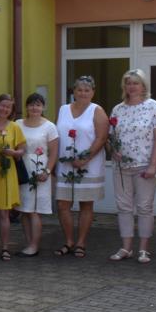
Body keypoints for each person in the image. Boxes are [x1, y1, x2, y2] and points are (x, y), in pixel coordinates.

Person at [107, 69, 156, 263]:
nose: (131, 87)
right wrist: (112, 150)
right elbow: (111, 137)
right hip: (121, 168)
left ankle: (143, 249)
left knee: (144, 208)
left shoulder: (155, 107)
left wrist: (153, 165)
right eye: (128, 83)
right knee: (124, 207)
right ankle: (126, 248)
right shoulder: (118, 109)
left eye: (136, 83)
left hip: (145, 167)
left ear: (143, 86)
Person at [54, 76, 108, 258]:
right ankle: (68, 241)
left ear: (93, 92)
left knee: (86, 204)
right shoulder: (63, 109)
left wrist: (85, 158)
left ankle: (81, 243)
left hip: (88, 165)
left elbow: (102, 137)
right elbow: (56, 135)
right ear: (74, 92)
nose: (83, 93)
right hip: (65, 165)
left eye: (87, 90)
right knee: (63, 204)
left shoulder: (97, 110)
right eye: (79, 90)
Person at [15, 93, 59, 257]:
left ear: (43, 107)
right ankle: (29, 243)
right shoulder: (18, 124)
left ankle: (34, 245)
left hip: (40, 170)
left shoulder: (49, 127)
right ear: (27, 107)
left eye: (38, 105)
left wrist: (47, 171)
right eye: (32, 104)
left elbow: (53, 153)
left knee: (35, 210)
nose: (35, 108)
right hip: (23, 169)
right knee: (24, 210)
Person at [0, 93, 26, 260]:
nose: (4, 109)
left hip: (7, 172)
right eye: (2, 105)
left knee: (3, 213)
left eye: (8, 107)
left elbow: (22, 150)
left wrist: (13, 153)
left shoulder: (14, 127)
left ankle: (5, 248)